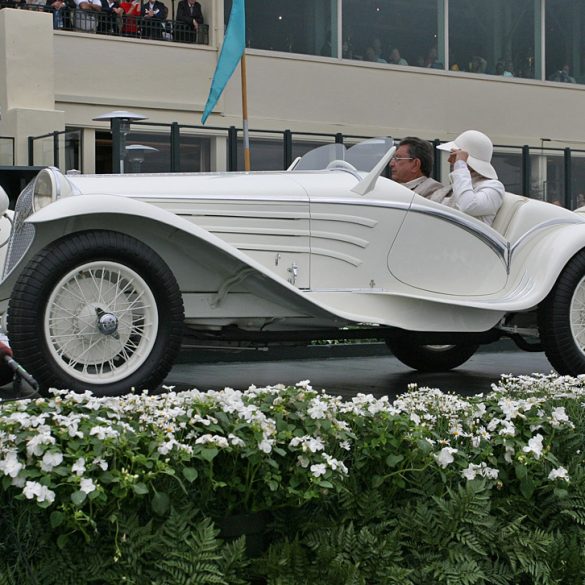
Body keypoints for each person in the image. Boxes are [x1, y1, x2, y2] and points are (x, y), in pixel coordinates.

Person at [436, 130, 505, 226]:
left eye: (454, 156)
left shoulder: (494, 186)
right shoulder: (461, 184)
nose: (450, 160)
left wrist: (460, 165)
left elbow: (468, 205)